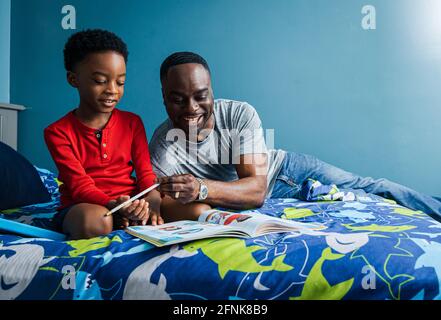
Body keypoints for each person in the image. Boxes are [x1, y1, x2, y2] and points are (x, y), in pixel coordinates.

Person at [150, 51, 441, 222]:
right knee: (361, 199)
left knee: (374, 188)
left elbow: (255, 190)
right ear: (164, 98)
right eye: (178, 99)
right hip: (238, 195)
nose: (191, 108)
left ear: (212, 91)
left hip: (285, 171)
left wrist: (200, 188)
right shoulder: (162, 147)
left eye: (201, 96)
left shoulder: (239, 114)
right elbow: (163, 204)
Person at [44, 29, 163, 240]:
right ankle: (117, 219)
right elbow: (80, 186)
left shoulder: (132, 122)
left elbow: (145, 172)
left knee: (186, 209)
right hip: (85, 206)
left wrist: (150, 198)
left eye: (120, 82)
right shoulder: (57, 132)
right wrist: (114, 206)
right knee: (95, 222)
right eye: (100, 81)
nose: (112, 90)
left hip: (131, 201)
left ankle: (127, 218)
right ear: (73, 79)